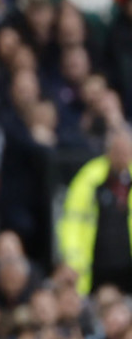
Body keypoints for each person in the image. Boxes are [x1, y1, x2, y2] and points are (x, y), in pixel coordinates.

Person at [58, 124, 132, 295]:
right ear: (108, 151)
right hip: (96, 264)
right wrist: (71, 260)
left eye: (126, 151)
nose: (123, 156)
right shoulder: (89, 177)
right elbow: (71, 221)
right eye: (118, 150)